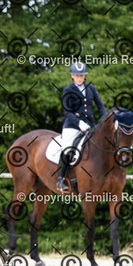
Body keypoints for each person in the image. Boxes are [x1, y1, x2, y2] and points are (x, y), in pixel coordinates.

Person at [57, 62, 107, 191]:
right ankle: (61, 179)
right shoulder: (68, 90)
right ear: (72, 76)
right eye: (77, 75)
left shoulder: (91, 88)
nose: (80, 78)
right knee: (67, 148)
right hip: (72, 125)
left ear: (84, 76)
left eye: (82, 75)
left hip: (90, 125)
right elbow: (67, 111)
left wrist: (106, 119)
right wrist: (78, 123)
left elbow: (100, 106)